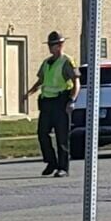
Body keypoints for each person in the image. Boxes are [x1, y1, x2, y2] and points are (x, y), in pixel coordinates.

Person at [27, 31, 80, 176]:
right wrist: (29, 93)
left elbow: (76, 82)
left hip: (61, 102)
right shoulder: (46, 62)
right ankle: (51, 162)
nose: (50, 48)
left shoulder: (67, 61)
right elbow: (41, 80)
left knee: (61, 136)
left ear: (61, 45)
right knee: (42, 133)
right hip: (46, 103)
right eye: (49, 45)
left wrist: (72, 100)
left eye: (53, 45)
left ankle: (63, 168)